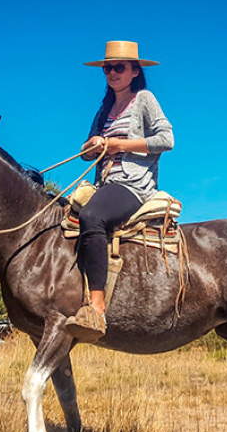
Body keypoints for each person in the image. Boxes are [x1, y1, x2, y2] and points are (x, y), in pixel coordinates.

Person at [64, 41, 174, 341]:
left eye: (119, 67)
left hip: (133, 185)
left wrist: (119, 144)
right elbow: (86, 153)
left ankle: (96, 308)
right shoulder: (104, 109)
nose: (112, 72)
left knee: (92, 217)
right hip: (104, 184)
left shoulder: (144, 99)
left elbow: (167, 139)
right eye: (107, 68)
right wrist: (93, 145)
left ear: (135, 71)